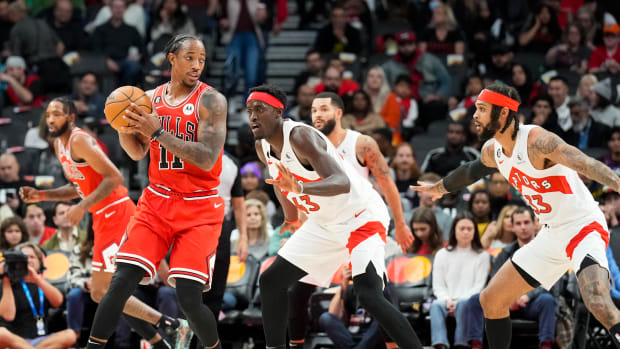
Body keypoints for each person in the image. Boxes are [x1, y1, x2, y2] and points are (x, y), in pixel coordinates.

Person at [412, 83, 620, 348]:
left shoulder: (537, 141)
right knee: (491, 299)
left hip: (583, 227)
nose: (474, 116)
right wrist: (440, 188)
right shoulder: (493, 150)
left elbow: (587, 164)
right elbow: (471, 171)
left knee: (598, 300)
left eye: (482, 109)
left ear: (502, 114)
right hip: (551, 233)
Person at [246, 84, 422, 349]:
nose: (253, 116)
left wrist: (299, 187)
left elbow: (341, 182)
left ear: (278, 112)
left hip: (361, 217)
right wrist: (290, 220)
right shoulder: (263, 148)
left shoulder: (300, 136)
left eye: (260, 109)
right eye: (249, 110)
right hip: (325, 223)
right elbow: (284, 189)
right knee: (271, 281)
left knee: (369, 295)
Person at [84, 34, 227, 349]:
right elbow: (136, 152)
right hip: (157, 201)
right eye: (190, 58)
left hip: (199, 207)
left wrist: (157, 131)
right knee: (119, 283)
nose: (197, 65)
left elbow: (207, 158)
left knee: (188, 300)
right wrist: (123, 125)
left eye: (201, 59)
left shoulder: (211, 100)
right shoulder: (147, 98)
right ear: (172, 58)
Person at [20, 97, 179, 348]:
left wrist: (82, 206)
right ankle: (161, 336)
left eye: (57, 114)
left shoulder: (79, 140)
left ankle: (167, 325)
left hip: (116, 213)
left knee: (104, 291)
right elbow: (79, 186)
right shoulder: (59, 145)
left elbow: (114, 177)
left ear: (71, 117)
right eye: (48, 114)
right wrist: (42, 195)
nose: (50, 119)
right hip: (102, 216)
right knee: (102, 292)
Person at [465, 207, 557, 349]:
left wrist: (527, 296)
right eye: (518, 224)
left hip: (530, 303)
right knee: (474, 301)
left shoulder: (546, 251)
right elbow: (493, 283)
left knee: (547, 300)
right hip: (505, 303)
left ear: (534, 223)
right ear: (512, 227)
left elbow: (551, 283)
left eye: (526, 222)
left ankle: (546, 345)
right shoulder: (504, 253)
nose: (523, 227)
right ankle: (476, 345)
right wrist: (509, 299)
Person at [0, 242, 77, 348]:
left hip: (43, 341)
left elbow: (58, 302)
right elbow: (8, 316)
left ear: (40, 262)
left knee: (70, 335)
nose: (28, 260)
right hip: (16, 341)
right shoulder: (7, 284)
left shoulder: (42, 284)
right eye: (24, 257)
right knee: (1, 333)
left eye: (32, 257)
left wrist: (37, 279)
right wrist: (6, 280)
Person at [430, 212, 489, 349]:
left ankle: (461, 344)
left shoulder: (482, 255)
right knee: (435, 305)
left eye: (469, 229)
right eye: (462, 228)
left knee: (463, 303)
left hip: (468, 300)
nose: (466, 232)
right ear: (454, 230)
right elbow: (438, 285)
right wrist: (447, 300)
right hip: (447, 300)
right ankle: (440, 344)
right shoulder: (442, 254)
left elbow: (479, 286)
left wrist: (458, 301)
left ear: (475, 231)